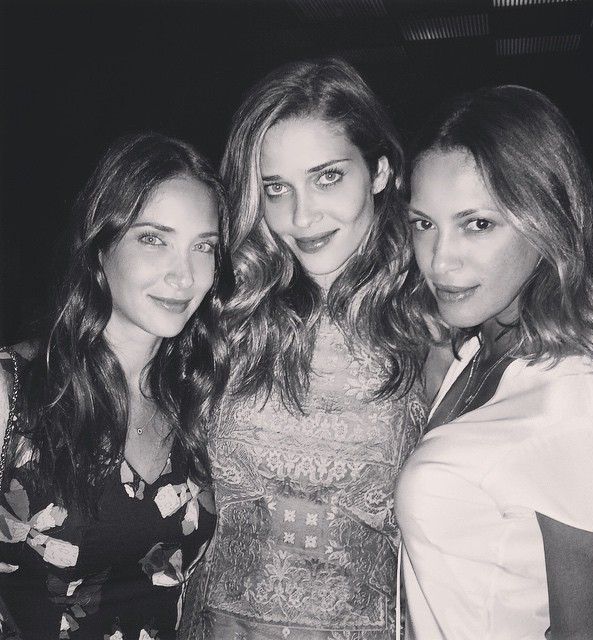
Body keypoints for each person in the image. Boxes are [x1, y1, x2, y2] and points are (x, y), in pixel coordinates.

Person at [178, 58, 437, 640]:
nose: (301, 216)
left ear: (379, 172)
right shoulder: (225, 312)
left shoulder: (430, 323)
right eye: (276, 188)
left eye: (327, 178)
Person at [395, 84, 593, 639]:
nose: (439, 260)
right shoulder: (477, 354)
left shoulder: (577, 409)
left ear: (546, 222)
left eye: (477, 224)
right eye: (423, 223)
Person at [0, 132, 232, 640]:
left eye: (203, 247)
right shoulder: (14, 391)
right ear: (100, 247)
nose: (184, 276)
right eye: (154, 239)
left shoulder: (197, 396)